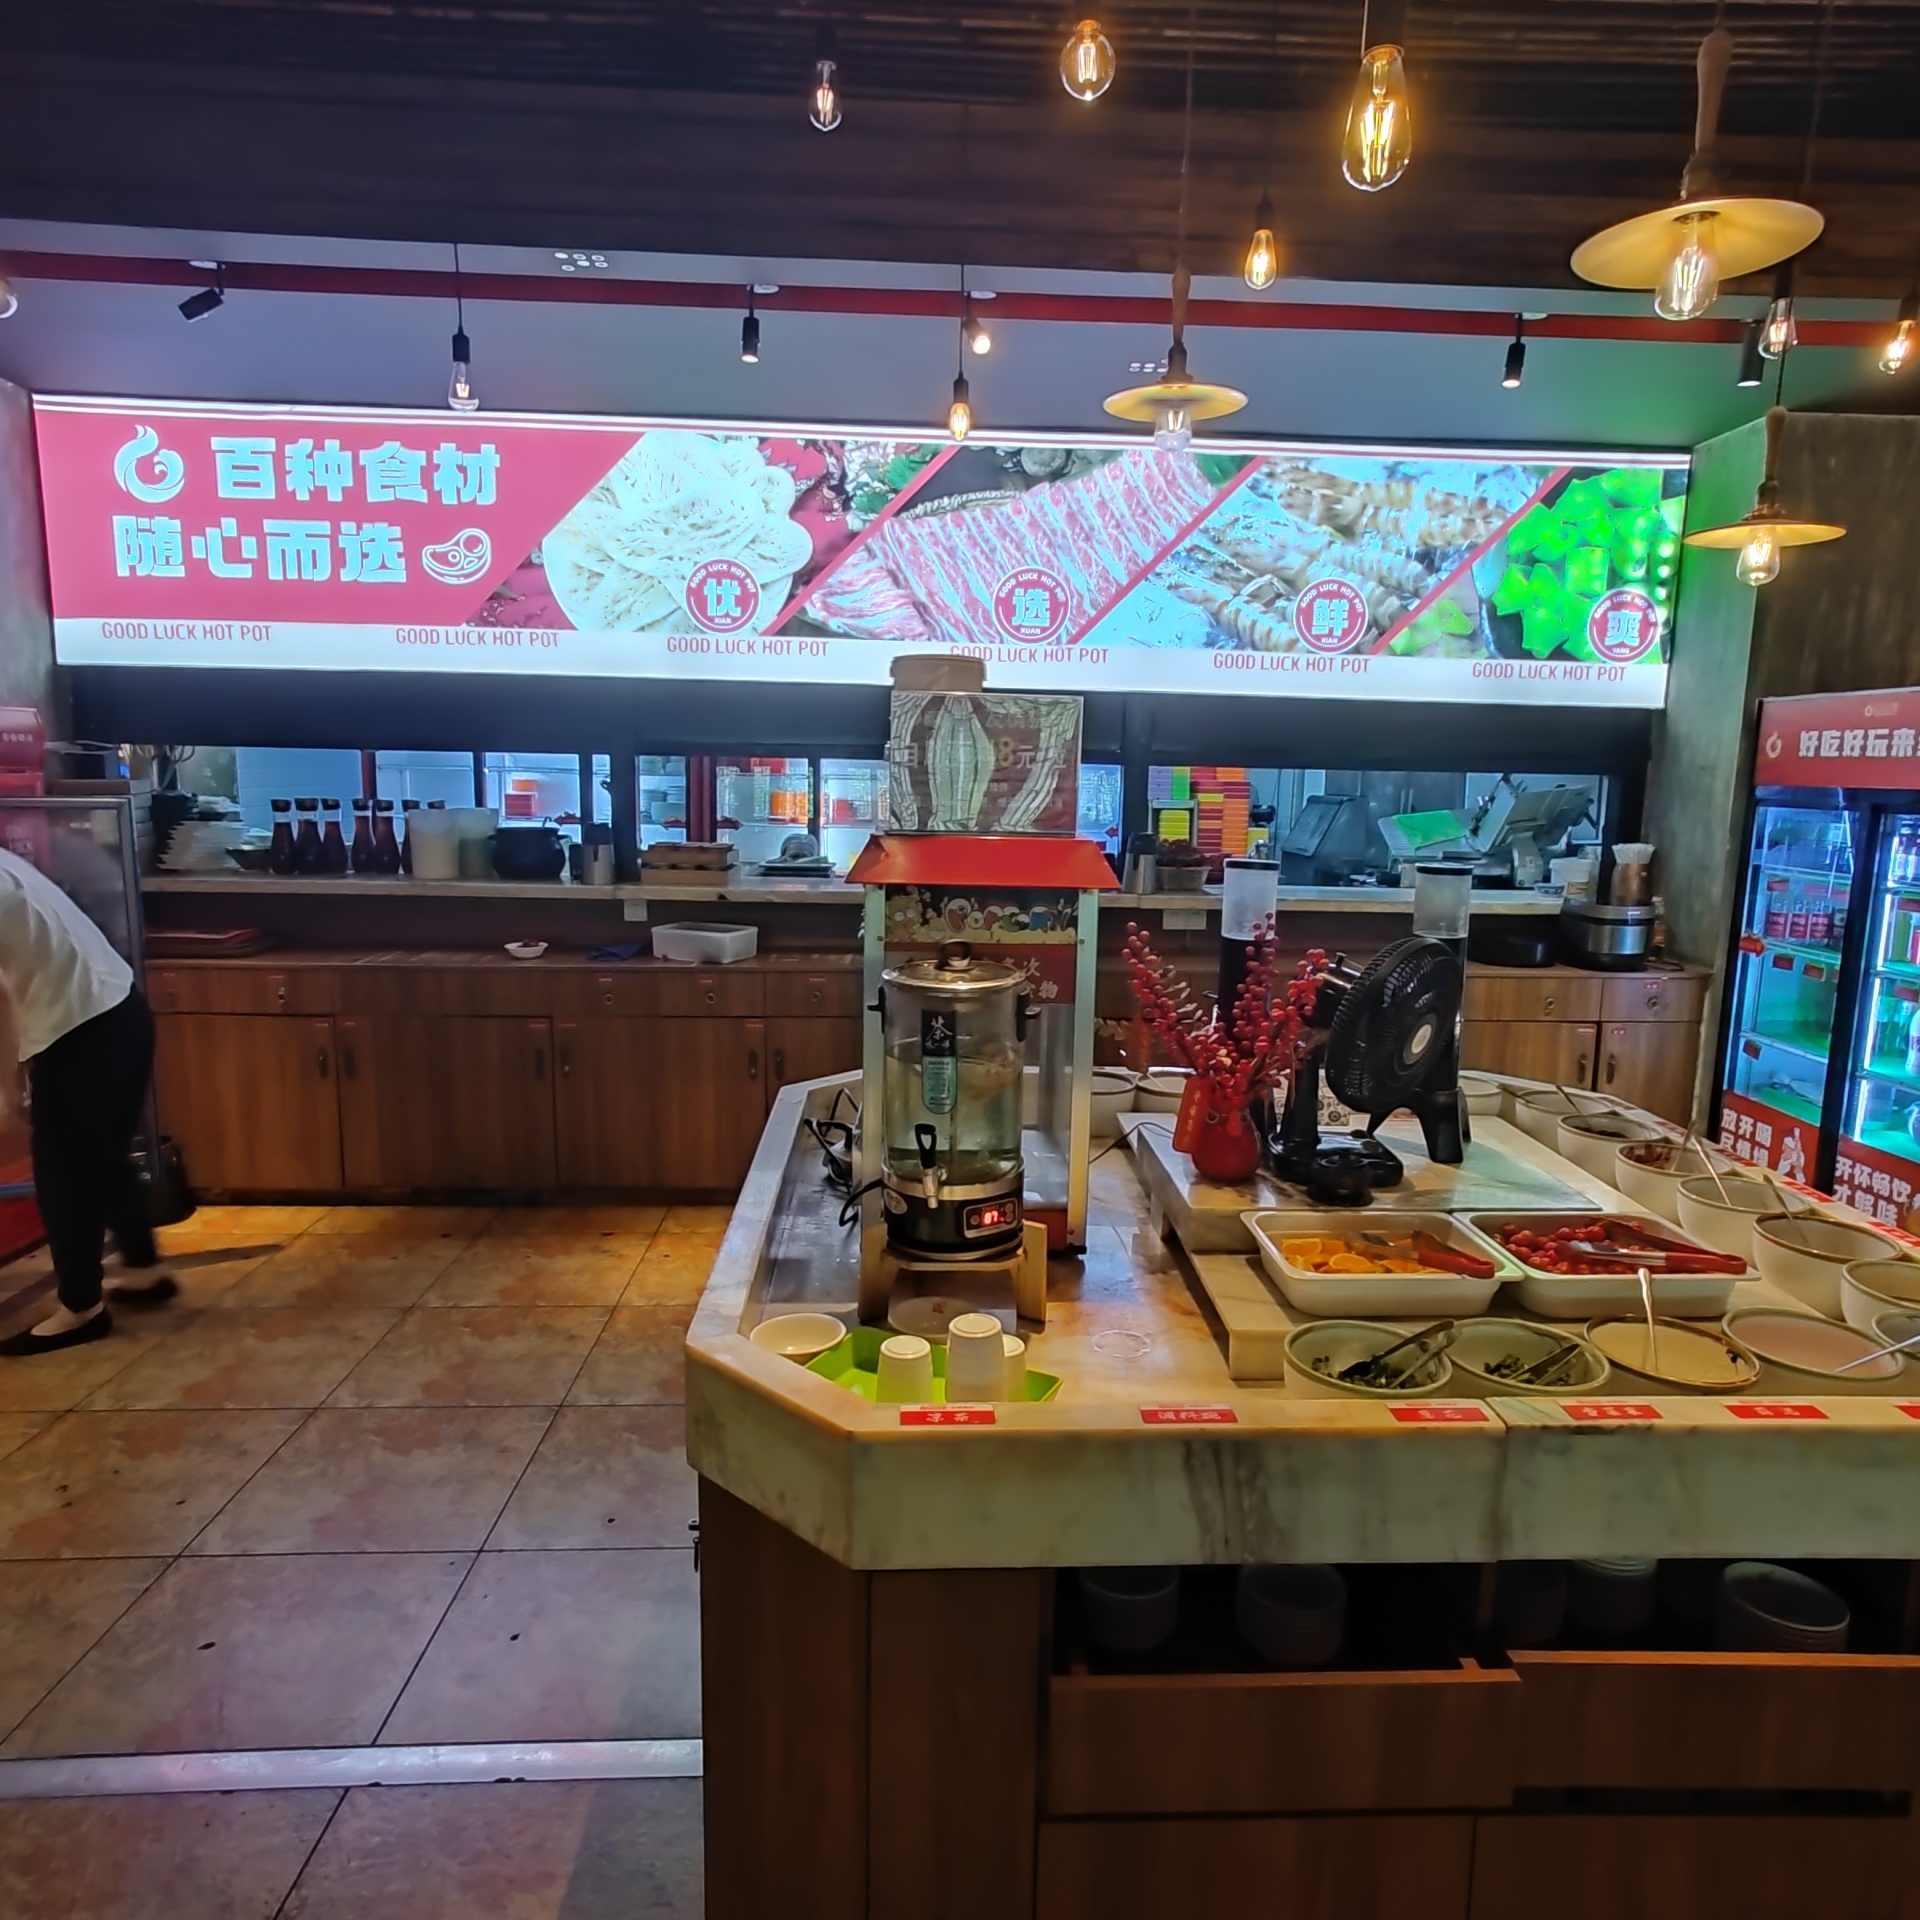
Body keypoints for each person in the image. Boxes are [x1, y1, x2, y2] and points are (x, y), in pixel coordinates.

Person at [0, 845, 175, 1358]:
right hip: (119, 1009)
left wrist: (7, 1087)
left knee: (63, 1172)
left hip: (79, 1031)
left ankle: (81, 1308)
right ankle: (144, 1270)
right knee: (101, 1155)